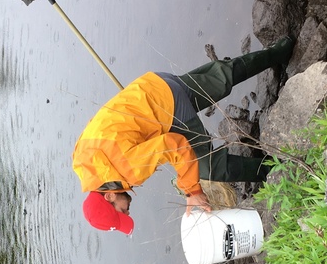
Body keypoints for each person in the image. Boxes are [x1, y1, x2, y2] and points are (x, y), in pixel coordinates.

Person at [73, 37, 294, 235]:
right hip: (153, 86)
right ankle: (281, 49)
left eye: (122, 213)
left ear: (109, 196)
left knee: (210, 167)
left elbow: (177, 144)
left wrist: (192, 192)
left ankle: (278, 170)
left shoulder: (123, 169)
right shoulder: (83, 162)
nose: (128, 214)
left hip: (168, 109)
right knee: (220, 79)